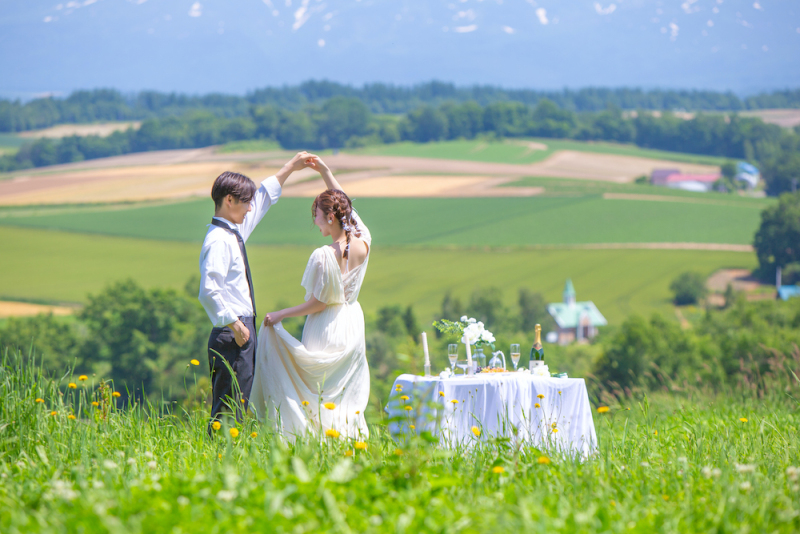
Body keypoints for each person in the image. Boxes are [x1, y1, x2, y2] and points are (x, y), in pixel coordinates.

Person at [250, 155, 371, 440]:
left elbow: (320, 302)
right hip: (352, 323)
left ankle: (315, 440)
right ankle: (348, 442)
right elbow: (349, 212)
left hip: (325, 326)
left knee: (316, 389)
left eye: (316, 215)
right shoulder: (364, 241)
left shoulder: (323, 255)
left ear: (329, 217)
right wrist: (326, 172)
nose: (314, 222)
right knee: (343, 392)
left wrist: (281, 314)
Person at [198, 152, 314, 435]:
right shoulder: (218, 240)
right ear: (229, 201)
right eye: (245, 202)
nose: (250, 209)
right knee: (228, 405)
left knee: (239, 401)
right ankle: (221, 459)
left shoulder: (233, 232)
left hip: (240, 328)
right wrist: (235, 324)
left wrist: (290, 168)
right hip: (232, 330)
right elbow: (208, 289)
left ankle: (227, 458)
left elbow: (262, 200)